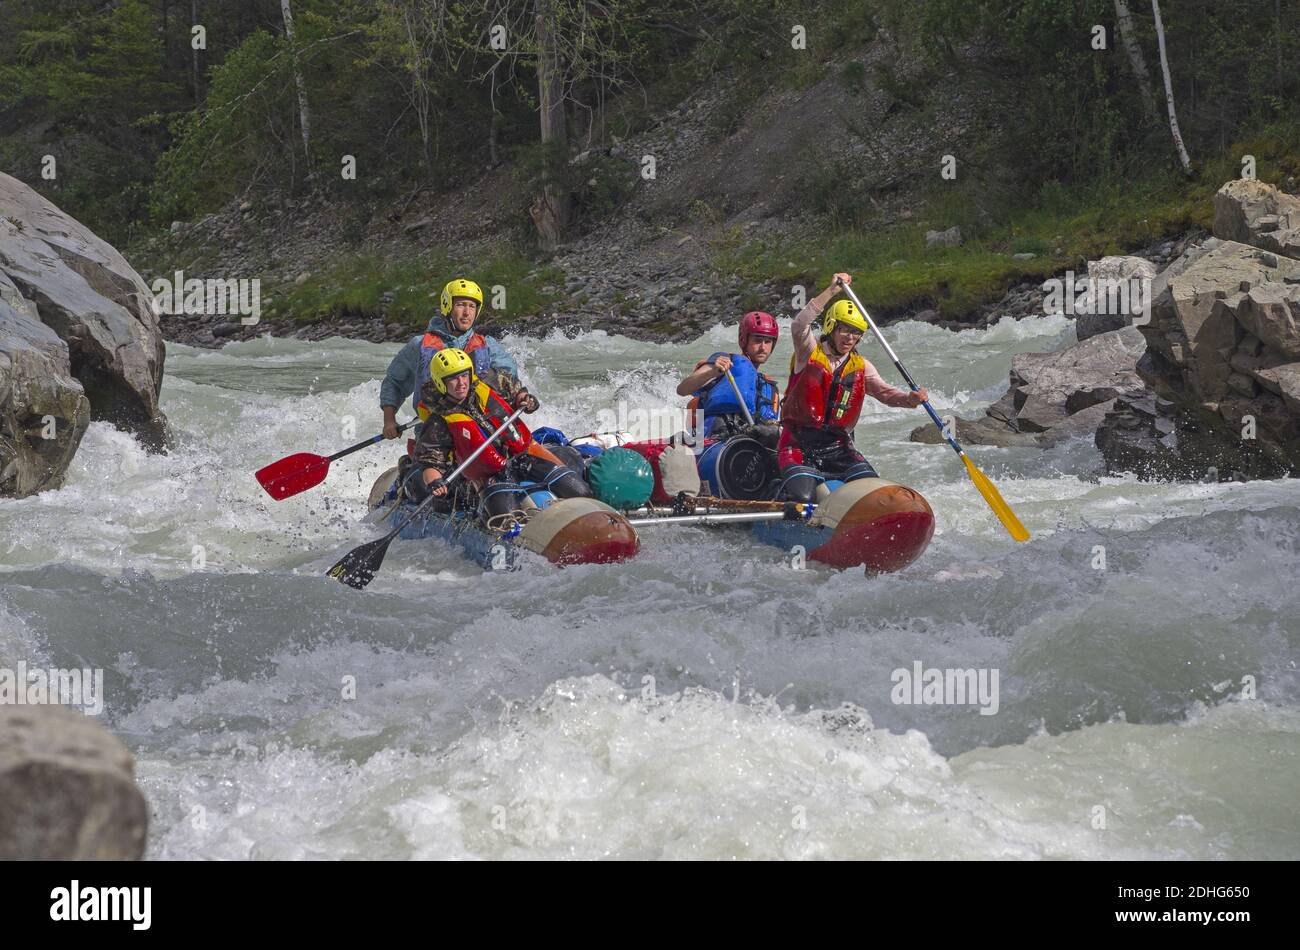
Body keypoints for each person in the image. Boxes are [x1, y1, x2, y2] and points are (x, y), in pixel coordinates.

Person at [776, 273, 929, 503]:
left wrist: (910, 399)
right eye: (845, 329)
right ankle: (780, 493)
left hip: (838, 446)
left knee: (872, 493)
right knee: (803, 496)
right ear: (832, 327)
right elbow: (799, 324)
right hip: (798, 442)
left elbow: (885, 394)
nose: (850, 337)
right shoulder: (808, 352)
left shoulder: (861, 366)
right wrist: (832, 290)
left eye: (856, 332)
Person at [404, 348, 590, 527]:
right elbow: (430, 463)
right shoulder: (438, 421)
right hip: (485, 476)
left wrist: (526, 399)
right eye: (452, 379)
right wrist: (435, 482)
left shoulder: (490, 383)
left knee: (580, 491)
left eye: (464, 375)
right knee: (505, 520)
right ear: (440, 382)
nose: (461, 383)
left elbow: (518, 393)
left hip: (522, 458)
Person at [379, 278, 530, 443]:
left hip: (482, 431)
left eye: (472, 306)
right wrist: (389, 421)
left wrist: (521, 398)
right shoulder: (420, 345)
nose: (467, 312)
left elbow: (510, 381)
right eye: (461, 305)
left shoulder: (488, 346)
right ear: (448, 306)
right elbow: (395, 382)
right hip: (434, 432)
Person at [675, 311, 782, 446]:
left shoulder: (767, 385)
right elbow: (682, 389)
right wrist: (712, 371)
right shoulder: (724, 361)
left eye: (768, 341)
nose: (763, 347)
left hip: (751, 445)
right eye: (757, 340)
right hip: (717, 437)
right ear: (744, 340)